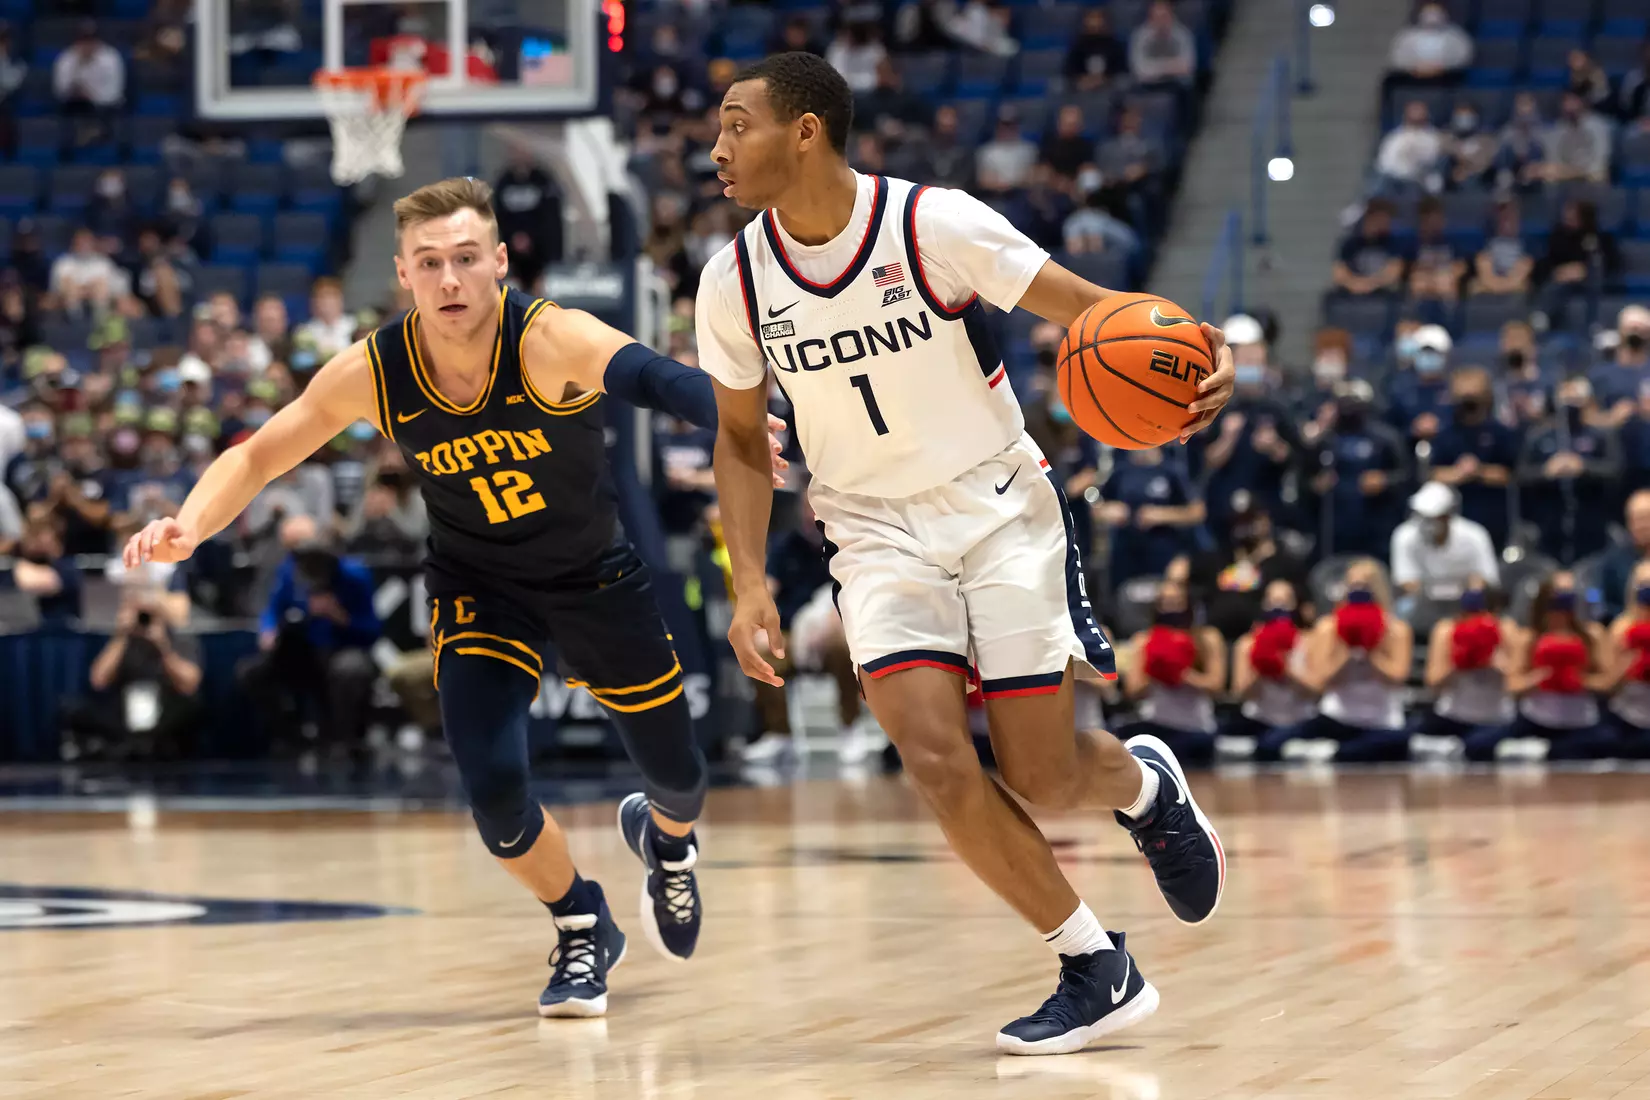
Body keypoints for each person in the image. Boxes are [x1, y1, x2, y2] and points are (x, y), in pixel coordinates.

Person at [125, 176, 786, 1019]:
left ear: (500, 264)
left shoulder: (549, 338)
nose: (449, 281)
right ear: (402, 273)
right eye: (429, 263)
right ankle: (582, 922)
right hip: (479, 584)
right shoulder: (377, 368)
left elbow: (656, 378)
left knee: (679, 777)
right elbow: (259, 454)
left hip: (592, 577)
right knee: (494, 790)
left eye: (466, 260)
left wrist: (733, 416)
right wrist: (189, 522)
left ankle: (668, 842)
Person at [696, 53, 1235, 1056]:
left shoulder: (932, 225)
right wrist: (753, 579)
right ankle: (1093, 963)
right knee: (936, 759)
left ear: (805, 131)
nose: (718, 148)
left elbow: (1099, 311)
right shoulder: (731, 280)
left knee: (1043, 773)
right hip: (869, 528)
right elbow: (738, 440)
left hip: (998, 509)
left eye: (738, 124)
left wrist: (1206, 350)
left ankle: (1147, 788)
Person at [236, 514, 382, 758]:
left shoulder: (355, 576)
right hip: (303, 650)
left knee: (350, 669)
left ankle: (343, 740)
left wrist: (340, 617)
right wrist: (268, 630)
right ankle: (291, 735)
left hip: (342, 647)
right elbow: (272, 609)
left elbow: (372, 630)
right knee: (252, 673)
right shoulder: (289, 571)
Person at [1257, 559, 1413, 764]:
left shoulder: (1397, 630)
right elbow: (1321, 681)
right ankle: (1331, 751)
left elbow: (1397, 678)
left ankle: (1332, 753)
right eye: (1353, 585)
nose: (1358, 591)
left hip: (1382, 721)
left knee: (1392, 745)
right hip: (1336, 718)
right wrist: (1347, 650)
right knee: (1270, 744)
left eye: (1365, 585)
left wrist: (1370, 649)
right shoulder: (1328, 627)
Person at [1467, 571, 1614, 761]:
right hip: (1536, 719)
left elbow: (1609, 682)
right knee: (1478, 745)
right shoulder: (1529, 637)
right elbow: (1513, 685)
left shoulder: (1593, 635)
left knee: (1603, 745)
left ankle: (1546, 751)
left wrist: (1581, 680)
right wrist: (1538, 678)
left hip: (1581, 721)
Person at [61, 595, 203, 762]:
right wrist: (121, 635)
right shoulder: (121, 641)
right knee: (73, 709)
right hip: (124, 707)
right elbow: (98, 680)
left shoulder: (176, 638)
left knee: (195, 707)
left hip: (164, 706)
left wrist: (162, 646)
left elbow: (191, 683)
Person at [1116, 579, 1222, 766]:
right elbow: (1132, 691)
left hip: (1196, 728)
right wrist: (1157, 671)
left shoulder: (1207, 638)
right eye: (1164, 603)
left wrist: (1182, 674)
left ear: (1188, 605)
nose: (1170, 607)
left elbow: (1217, 686)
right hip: (1157, 724)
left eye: (1176, 602)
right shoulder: (1144, 640)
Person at [1413, 577, 1517, 760]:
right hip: (1452, 716)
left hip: (1496, 718)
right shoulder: (1446, 629)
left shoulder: (1506, 629)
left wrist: (1497, 663)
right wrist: (1460, 662)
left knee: (1478, 746)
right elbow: (1433, 683)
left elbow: (1517, 683)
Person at [1223, 579, 1316, 758]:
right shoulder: (1247, 643)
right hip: (1259, 718)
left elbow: (1316, 691)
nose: (1278, 606)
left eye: (1284, 601)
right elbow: (1240, 693)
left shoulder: (1309, 640)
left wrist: (1284, 666)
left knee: (1272, 743)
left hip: (1299, 719)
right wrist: (1263, 662)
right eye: (1272, 601)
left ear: (1296, 605)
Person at [1429, 365, 1520, 548]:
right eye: (1464, 398)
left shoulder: (1501, 433)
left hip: (1492, 515)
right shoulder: (1445, 434)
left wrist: (1478, 471)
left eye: (1473, 398)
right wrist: (1459, 472)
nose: (1469, 404)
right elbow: (1434, 474)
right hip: (1453, 517)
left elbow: (1508, 475)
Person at [1389, 481, 1500, 624]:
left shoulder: (1475, 535)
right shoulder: (1404, 535)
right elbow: (1405, 580)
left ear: (1448, 515)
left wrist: (1468, 596)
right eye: (1423, 516)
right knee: (1403, 608)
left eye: (1434, 517)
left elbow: (1486, 577)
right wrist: (1432, 595)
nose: (1428, 523)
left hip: (1464, 602)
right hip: (1422, 601)